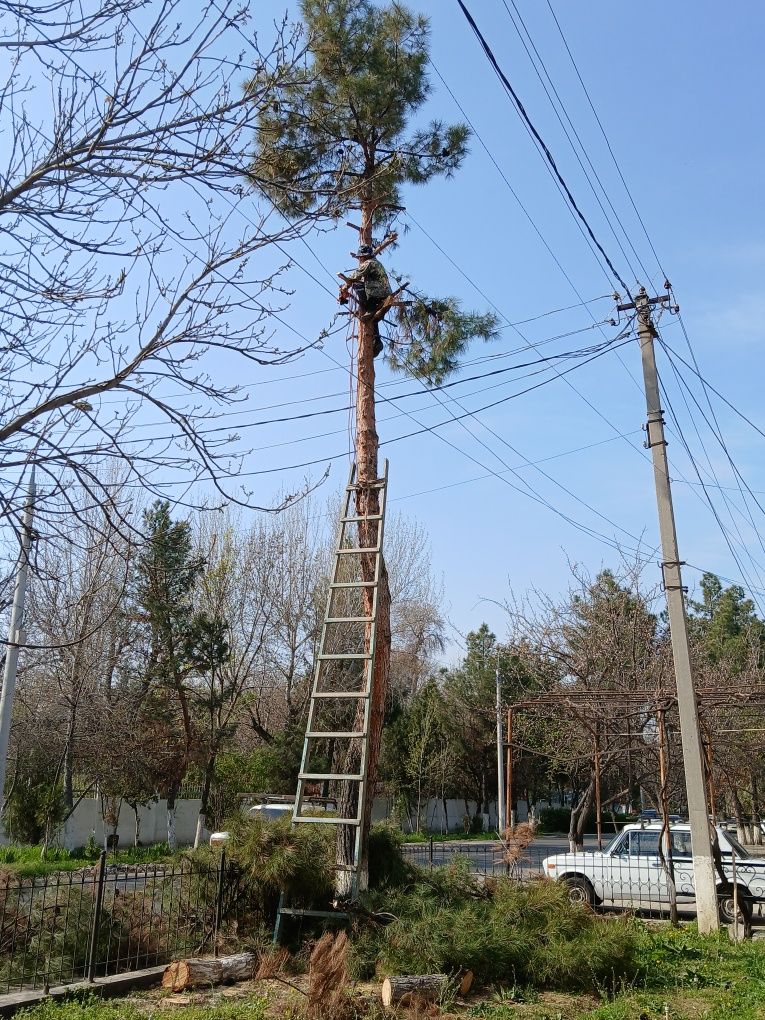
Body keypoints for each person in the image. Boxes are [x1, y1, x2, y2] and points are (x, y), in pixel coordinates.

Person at [339, 243, 392, 357]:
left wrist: (345, 287)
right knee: (372, 319)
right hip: (384, 296)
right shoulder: (376, 263)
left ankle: (368, 308)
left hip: (378, 295)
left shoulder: (369, 263)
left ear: (363, 256)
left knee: (357, 285)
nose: (360, 260)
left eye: (360, 257)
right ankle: (377, 341)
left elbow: (356, 275)